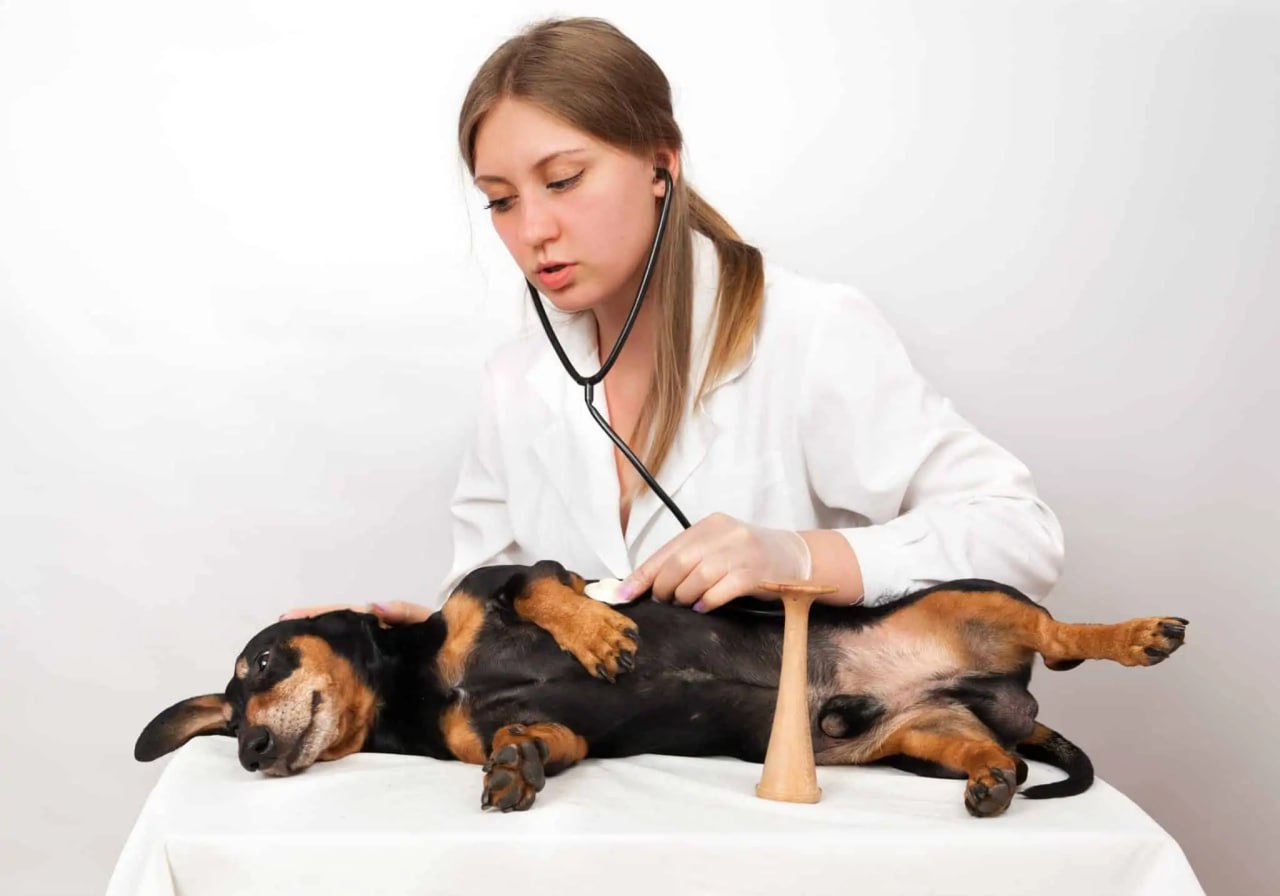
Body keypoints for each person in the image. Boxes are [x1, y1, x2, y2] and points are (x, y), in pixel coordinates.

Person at [282, 16, 1063, 626]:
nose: (532, 230)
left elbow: (1018, 534)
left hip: (785, 797)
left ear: (663, 163)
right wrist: (410, 642)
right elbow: (487, 606)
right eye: (501, 199)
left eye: (562, 179)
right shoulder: (514, 383)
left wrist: (796, 555)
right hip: (578, 804)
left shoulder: (809, 331)